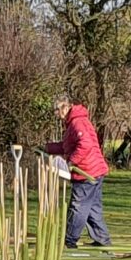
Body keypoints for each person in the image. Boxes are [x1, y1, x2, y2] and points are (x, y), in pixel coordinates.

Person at [46, 94, 112, 248]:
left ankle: (69, 240)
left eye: (57, 110)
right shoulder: (75, 122)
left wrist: (71, 162)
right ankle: (102, 239)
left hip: (86, 172)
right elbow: (67, 146)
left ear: (65, 107)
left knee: (78, 207)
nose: (56, 114)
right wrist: (48, 148)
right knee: (92, 208)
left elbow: (85, 145)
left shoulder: (77, 122)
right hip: (95, 170)